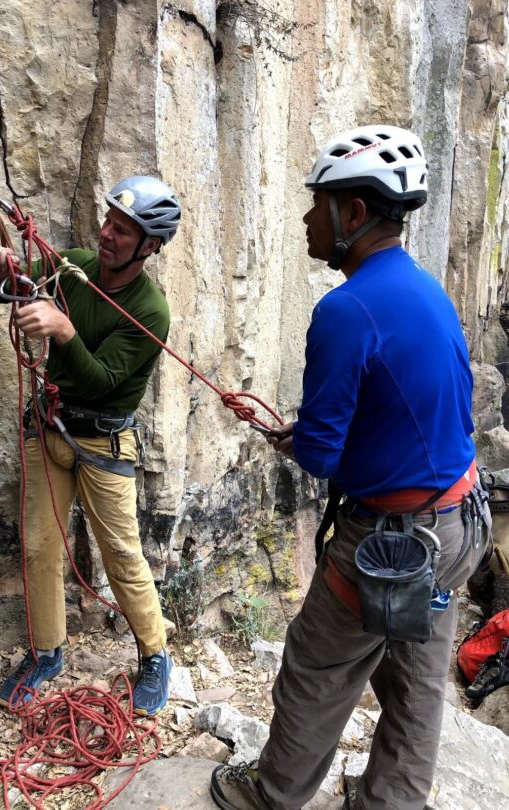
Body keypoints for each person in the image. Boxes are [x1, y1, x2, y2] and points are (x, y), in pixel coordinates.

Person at [210, 125, 491, 810]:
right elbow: (430, 413)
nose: (308, 218)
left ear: (355, 213)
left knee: (315, 664)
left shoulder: (344, 310)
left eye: (318, 204)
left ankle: (274, 794)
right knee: (414, 679)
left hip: (394, 541)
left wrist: (301, 440)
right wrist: (315, 435)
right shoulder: (426, 291)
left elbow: (321, 456)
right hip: (459, 522)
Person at [0, 175, 181, 716]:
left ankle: (155, 654)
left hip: (104, 443)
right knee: (40, 546)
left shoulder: (150, 310)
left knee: (121, 553)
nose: (107, 233)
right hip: (50, 428)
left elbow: (101, 381)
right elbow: (5, 290)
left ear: (149, 246)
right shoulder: (73, 266)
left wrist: (63, 330)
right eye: (109, 222)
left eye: (122, 230)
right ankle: (47, 652)